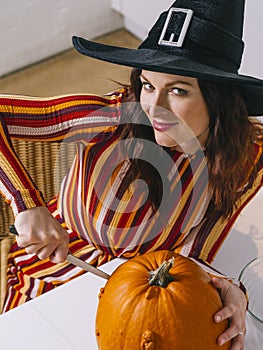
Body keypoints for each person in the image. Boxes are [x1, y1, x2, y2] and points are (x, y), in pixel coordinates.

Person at [0, 0, 262, 347]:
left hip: (148, 290)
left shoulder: (248, 157)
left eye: (178, 90)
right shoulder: (111, 118)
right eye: (148, 85)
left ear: (220, 99)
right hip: (51, 269)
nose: (153, 106)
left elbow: (195, 256)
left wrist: (232, 291)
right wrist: (27, 205)